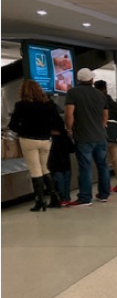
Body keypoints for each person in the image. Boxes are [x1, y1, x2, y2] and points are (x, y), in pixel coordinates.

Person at [8, 79, 65, 211]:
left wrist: (21, 130)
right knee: (45, 168)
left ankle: (40, 201)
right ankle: (55, 197)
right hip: (46, 140)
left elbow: (13, 125)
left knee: (35, 170)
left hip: (28, 140)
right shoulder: (49, 104)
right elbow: (58, 122)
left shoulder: (21, 105)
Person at [64, 68, 111, 206]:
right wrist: (100, 127)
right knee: (103, 166)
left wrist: (69, 129)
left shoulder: (72, 93)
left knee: (85, 167)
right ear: (92, 80)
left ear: (78, 79)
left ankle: (85, 197)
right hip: (100, 137)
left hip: (83, 136)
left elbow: (69, 114)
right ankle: (104, 194)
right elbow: (105, 116)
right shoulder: (100, 94)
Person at [95, 80, 117, 193]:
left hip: (102, 134)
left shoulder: (98, 102)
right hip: (114, 135)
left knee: (103, 161)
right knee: (115, 159)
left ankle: (106, 185)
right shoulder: (115, 104)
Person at [48, 127, 75, 205]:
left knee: (59, 181)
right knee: (67, 181)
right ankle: (67, 198)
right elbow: (72, 149)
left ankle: (62, 198)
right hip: (66, 163)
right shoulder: (65, 137)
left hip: (55, 164)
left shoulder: (49, 138)